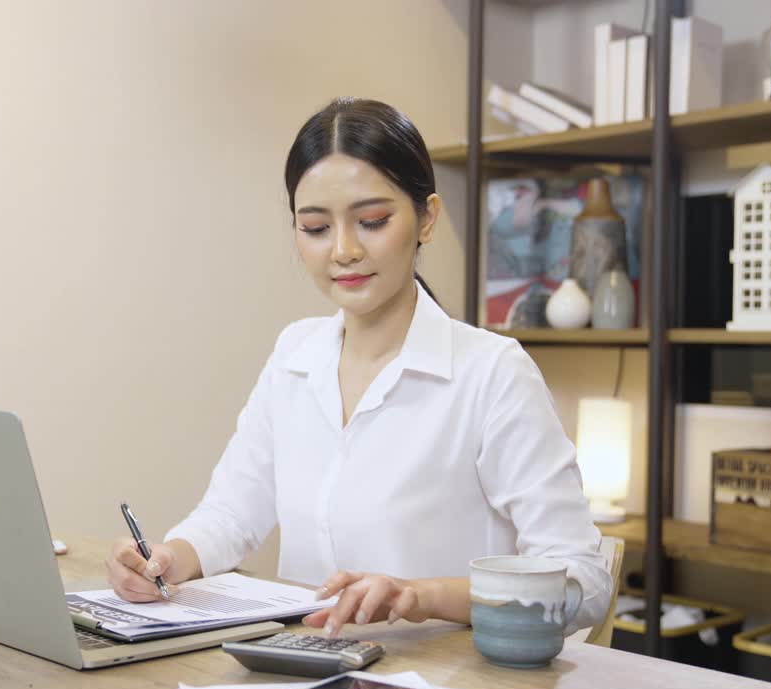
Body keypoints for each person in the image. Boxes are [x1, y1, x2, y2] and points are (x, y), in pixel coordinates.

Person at [105, 97, 611, 637]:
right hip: (304, 671)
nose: (343, 250)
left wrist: (422, 596)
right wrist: (166, 560)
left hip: (443, 687)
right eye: (316, 228)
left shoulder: (492, 373)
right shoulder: (294, 355)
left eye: (371, 221)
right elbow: (231, 515)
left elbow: (583, 584)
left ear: (427, 218)